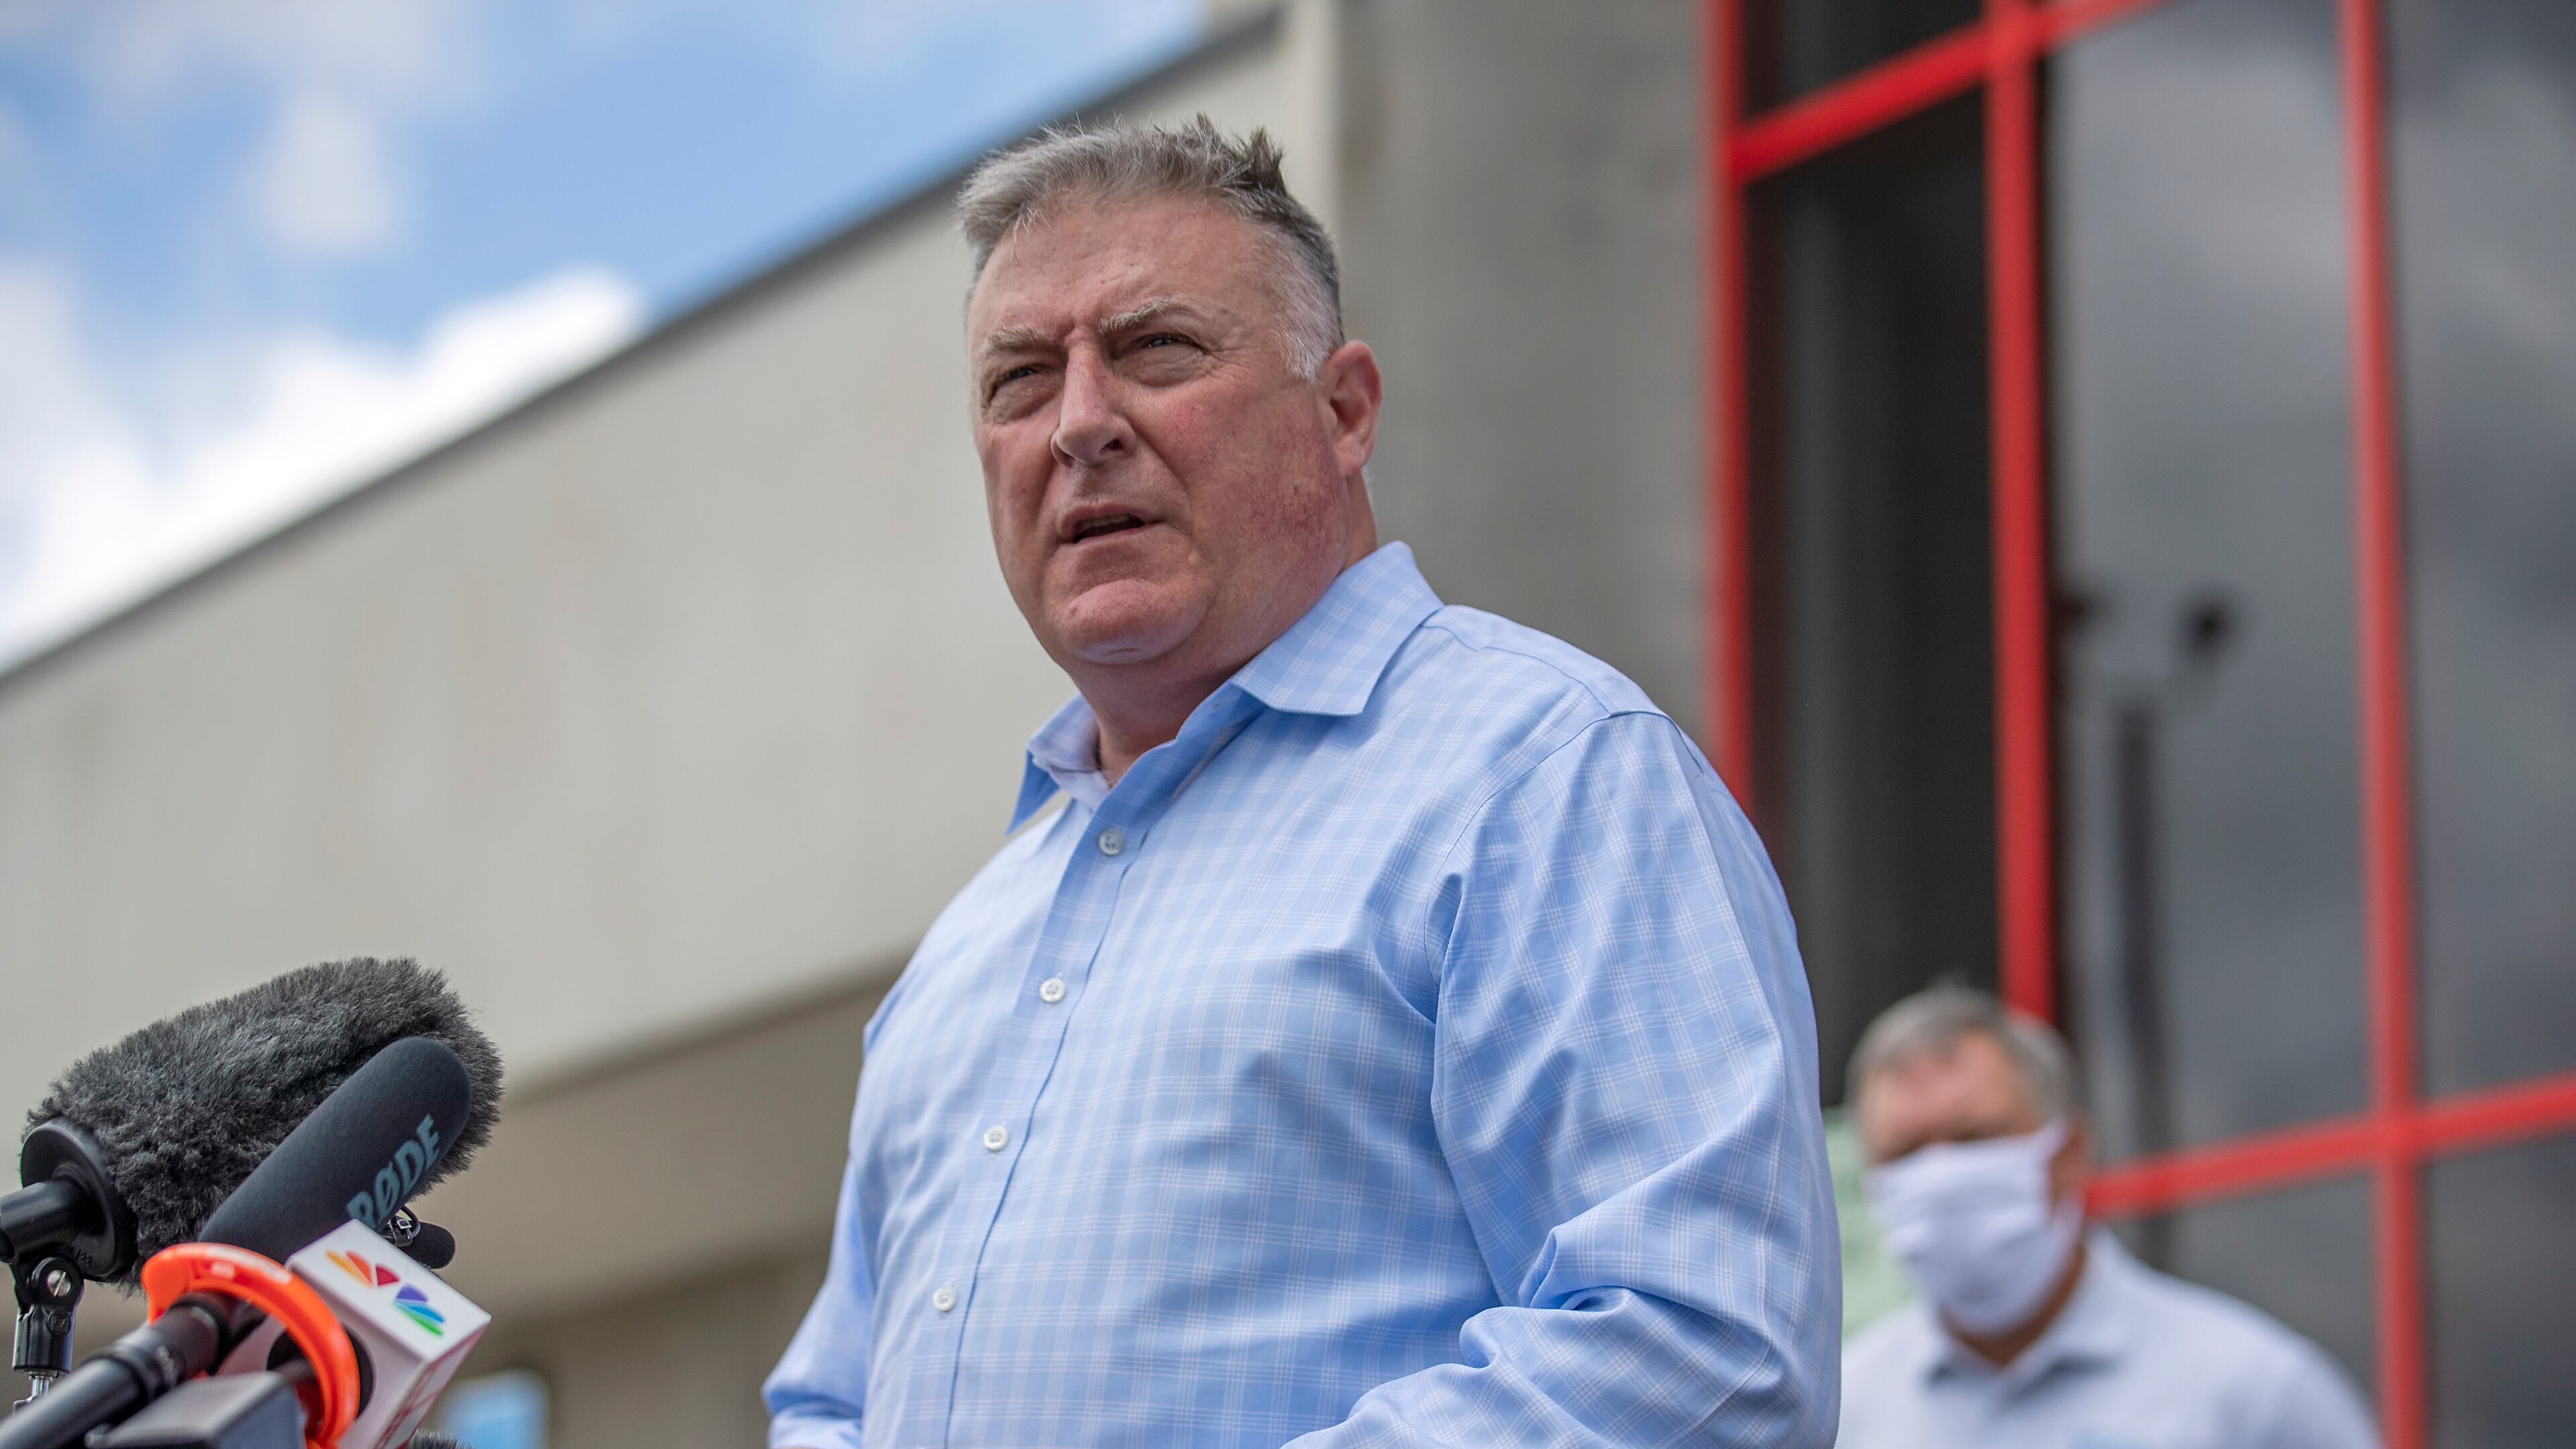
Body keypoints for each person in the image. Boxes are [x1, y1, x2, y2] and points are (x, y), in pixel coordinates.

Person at [761, 116, 1840, 1448]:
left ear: (1344, 413)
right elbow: (830, 1400)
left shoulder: (1546, 780)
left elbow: (1705, 1354)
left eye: (1157, 351)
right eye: (1020, 382)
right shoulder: (969, 943)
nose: (1081, 425)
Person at [1836, 985, 2378, 1448]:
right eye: (1904, 1151)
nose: (1942, 1174)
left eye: (1976, 1137)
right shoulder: (1839, 1411)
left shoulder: (2255, 1392)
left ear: (2068, 1154)